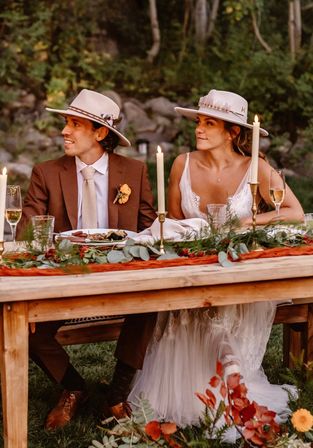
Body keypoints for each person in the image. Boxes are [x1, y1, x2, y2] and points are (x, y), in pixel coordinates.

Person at [128, 89, 304, 432]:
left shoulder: (256, 167)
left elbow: (294, 213)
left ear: (232, 132)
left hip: (238, 272)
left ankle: (233, 380)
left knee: (219, 310)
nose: (199, 129)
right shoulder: (182, 163)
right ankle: (224, 381)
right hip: (193, 271)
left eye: (210, 123)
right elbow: (176, 223)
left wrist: (245, 223)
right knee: (199, 303)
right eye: (199, 121)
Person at [17, 89, 157, 430]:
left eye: (75, 124)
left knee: (152, 302)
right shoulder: (46, 172)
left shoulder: (134, 172)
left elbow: (150, 229)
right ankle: (73, 388)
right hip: (65, 281)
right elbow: (25, 235)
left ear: (100, 133)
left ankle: (117, 394)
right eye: (66, 122)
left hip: (120, 278)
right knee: (27, 327)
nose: (65, 130)